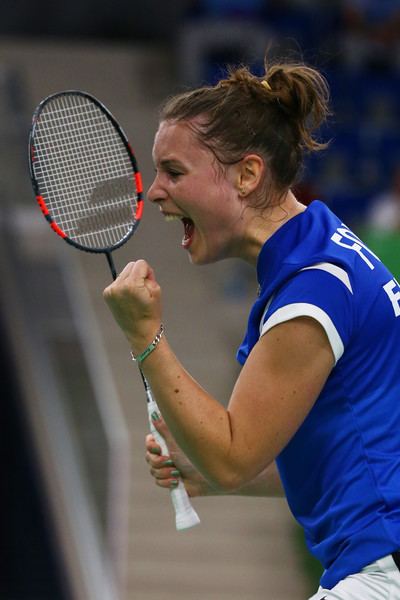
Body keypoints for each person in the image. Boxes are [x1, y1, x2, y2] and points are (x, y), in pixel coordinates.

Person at [103, 55, 400, 599]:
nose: (153, 193)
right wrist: (204, 476)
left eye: (173, 171)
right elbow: (331, 455)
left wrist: (145, 335)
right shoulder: (319, 251)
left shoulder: (315, 290)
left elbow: (235, 455)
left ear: (247, 174)